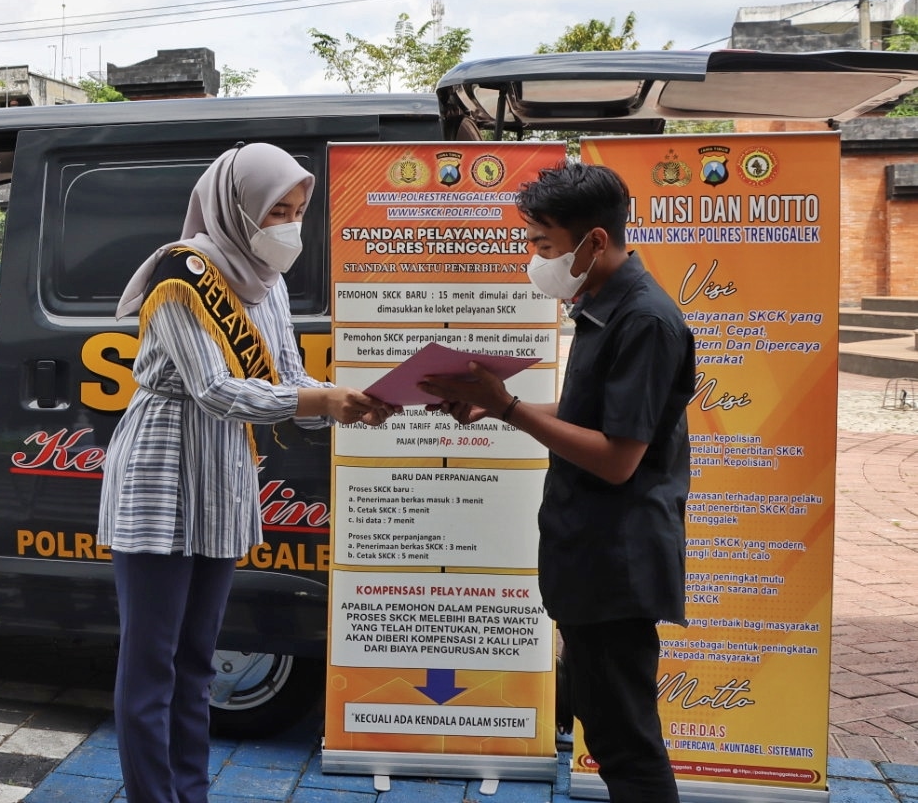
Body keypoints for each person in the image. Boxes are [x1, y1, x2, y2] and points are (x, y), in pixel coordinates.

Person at [99, 142, 395, 803]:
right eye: (275, 210)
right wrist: (317, 400)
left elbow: (287, 382)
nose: (287, 225)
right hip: (162, 470)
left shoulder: (271, 281)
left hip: (223, 471)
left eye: (296, 210)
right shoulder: (182, 275)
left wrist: (351, 403)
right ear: (236, 207)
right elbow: (213, 389)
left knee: (198, 659)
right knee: (152, 662)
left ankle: (190, 793)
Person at [418, 162, 694, 803]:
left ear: (594, 241)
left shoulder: (645, 321)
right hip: (589, 555)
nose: (534, 258)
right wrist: (497, 404)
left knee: (626, 743)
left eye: (544, 245)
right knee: (605, 722)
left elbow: (618, 457)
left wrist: (510, 409)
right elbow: (588, 422)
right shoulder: (602, 307)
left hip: (617, 562)